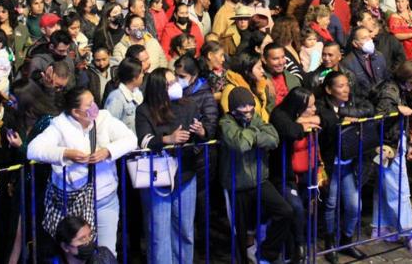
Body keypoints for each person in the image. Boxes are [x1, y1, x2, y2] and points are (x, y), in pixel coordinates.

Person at [27, 87, 136, 256]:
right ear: (76, 112)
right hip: (73, 201)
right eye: (89, 104)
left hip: (105, 198)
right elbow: (33, 150)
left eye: (94, 101)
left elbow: (131, 139)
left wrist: (107, 151)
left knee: (107, 253)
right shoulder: (60, 124)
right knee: (77, 254)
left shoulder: (104, 118)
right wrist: (65, 153)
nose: (94, 107)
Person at [135, 68, 204, 264]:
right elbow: (144, 140)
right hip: (158, 177)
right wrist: (168, 139)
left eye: (175, 81)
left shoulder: (189, 105)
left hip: (186, 174)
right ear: (158, 88)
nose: (175, 86)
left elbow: (204, 134)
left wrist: (201, 131)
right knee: (159, 232)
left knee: (185, 230)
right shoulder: (145, 110)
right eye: (169, 83)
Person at [219, 87, 294, 264]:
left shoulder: (256, 118)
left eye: (249, 105)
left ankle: (266, 253)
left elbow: (274, 138)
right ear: (233, 108)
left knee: (285, 211)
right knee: (240, 231)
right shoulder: (226, 122)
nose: (247, 110)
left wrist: (251, 134)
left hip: (260, 180)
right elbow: (240, 144)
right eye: (242, 106)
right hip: (236, 184)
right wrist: (256, 133)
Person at [315, 70, 375, 261]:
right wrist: (341, 121)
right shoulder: (320, 108)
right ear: (328, 89)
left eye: (346, 84)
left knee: (354, 205)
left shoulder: (353, 102)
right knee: (330, 204)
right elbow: (325, 127)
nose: (346, 89)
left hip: (350, 163)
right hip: (330, 164)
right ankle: (330, 243)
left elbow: (370, 109)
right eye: (340, 86)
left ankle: (346, 240)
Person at [369, 61, 412, 254]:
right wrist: (397, 111)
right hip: (388, 146)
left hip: (393, 143)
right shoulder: (390, 92)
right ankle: (408, 233)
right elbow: (380, 118)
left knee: (385, 188)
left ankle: (380, 227)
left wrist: (407, 142)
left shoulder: (395, 89)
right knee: (399, 190)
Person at [269, 87, 321, 264]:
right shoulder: (279, 115)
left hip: (306, 172)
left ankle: (298, 250)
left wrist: (311, 120)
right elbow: (290, 131)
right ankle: (297, 248)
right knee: (295, 209)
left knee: (305, 210)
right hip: (283, 174)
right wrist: (302, 125)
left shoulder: (304, 115)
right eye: (310, 107)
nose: (314, 109)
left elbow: (328, 118)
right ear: (298, 106)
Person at [52, 214, 118, 264]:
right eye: (82, 239)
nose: (88, 241)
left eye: (90, 235)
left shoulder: (104, 257)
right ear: (65, 247)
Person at [103, 57, 144, 131]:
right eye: (141, 73)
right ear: (134, 77)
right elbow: (110, 126)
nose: (143, 75)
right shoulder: (116, 98)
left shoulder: (138, 93)